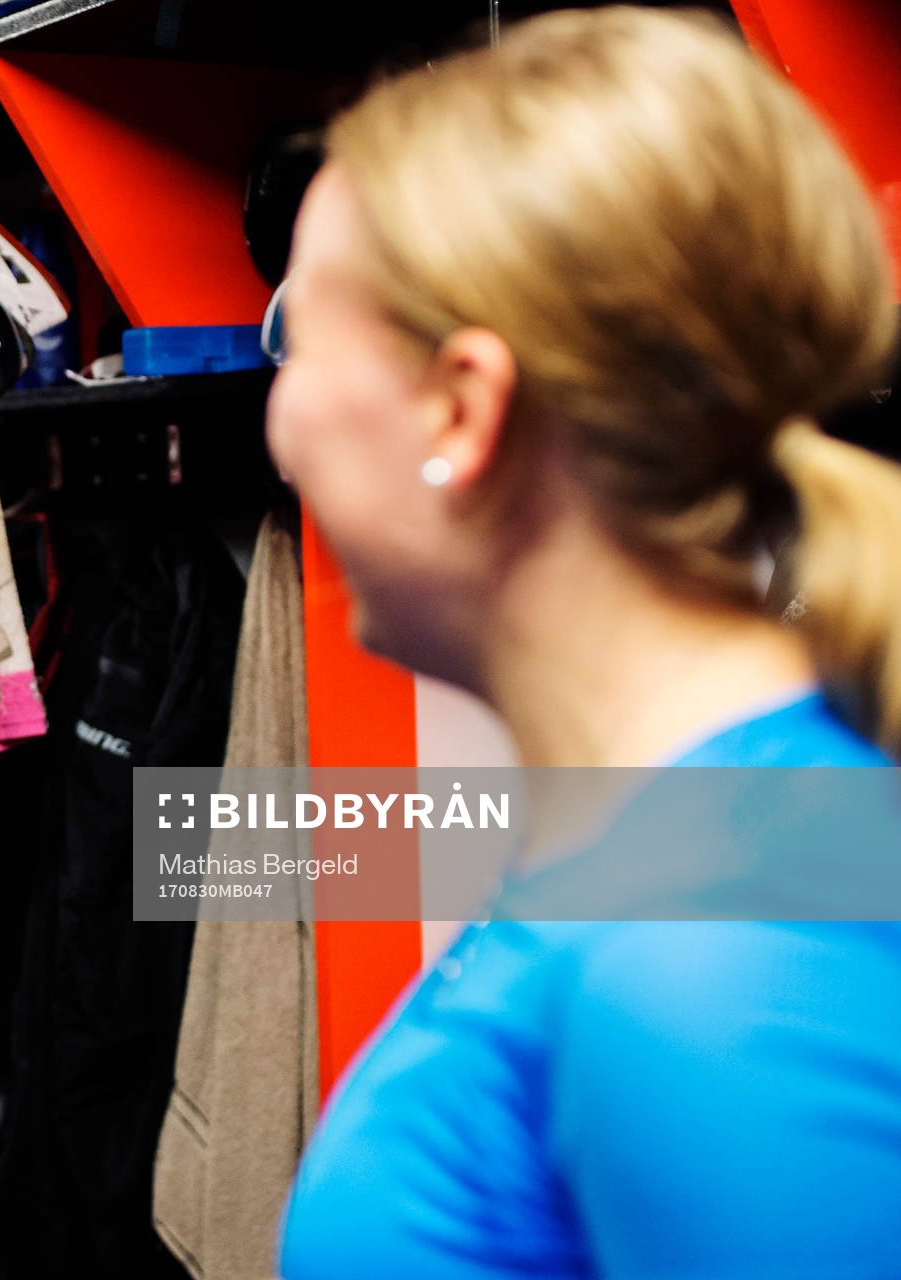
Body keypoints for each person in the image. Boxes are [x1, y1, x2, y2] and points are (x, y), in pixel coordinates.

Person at [265, 8, 901, 1278]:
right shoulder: (691, 854)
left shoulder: (710, 950)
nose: (277, 413)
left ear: (463, 405)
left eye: (298, 334)